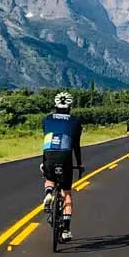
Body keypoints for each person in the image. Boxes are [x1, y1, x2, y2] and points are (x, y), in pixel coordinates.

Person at [41, 91, 84, 241]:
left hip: (49, 153)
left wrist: (43, 161)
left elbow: (47, 141)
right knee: (66, 193)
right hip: (65, 155)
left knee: (49, 177)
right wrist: (79, 164)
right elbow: (76, 146)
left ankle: (48, 193)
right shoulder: (75, 121)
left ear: (55, 104)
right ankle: (66, 230)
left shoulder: (47, 119)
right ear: (70, 105)